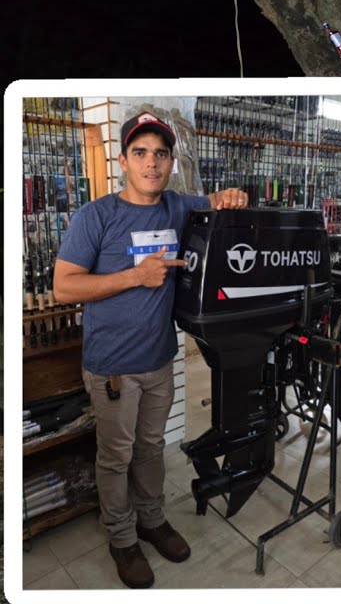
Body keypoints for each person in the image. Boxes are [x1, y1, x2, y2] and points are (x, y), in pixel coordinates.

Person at [53, 112, 250, 589]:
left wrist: (230, 197)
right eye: (140, 152)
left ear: (171, 162)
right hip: (113, 368)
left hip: (160, 361)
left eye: (161, 153)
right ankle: (122, 540)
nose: (151, 162)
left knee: (151, 449)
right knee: (115, 457)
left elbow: (219, 204)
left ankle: (152, 520)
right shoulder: (95, 216)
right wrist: (135, 277)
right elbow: (63, 287)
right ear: (123, 161)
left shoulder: (179, 208)